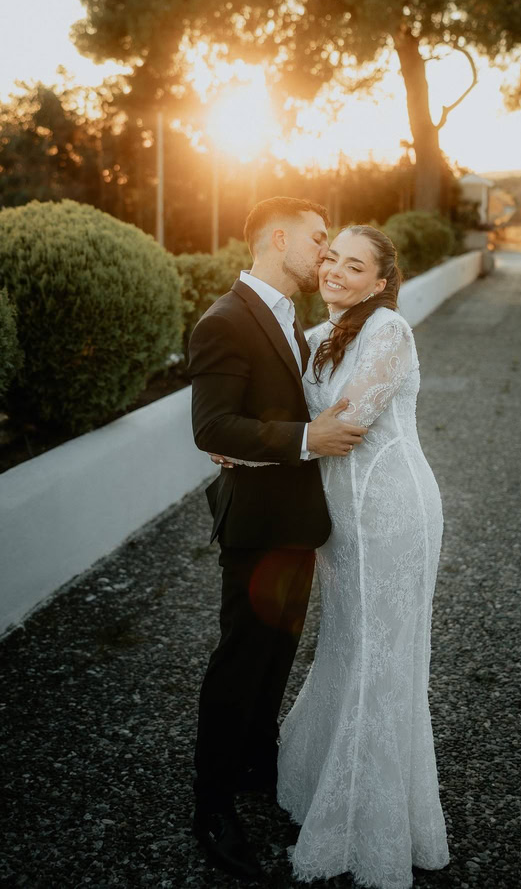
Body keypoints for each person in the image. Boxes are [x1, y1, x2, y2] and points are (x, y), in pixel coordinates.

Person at [186, 197, 367, 881]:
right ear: (280, 238)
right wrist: (307, 438)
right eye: (319, 239)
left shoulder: (290, 316)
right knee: (240, 661)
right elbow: (212, 427)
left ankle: (258, 768)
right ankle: (211, 806)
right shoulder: (225, 319)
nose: (326, 252)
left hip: (297, 520)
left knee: (276, 657)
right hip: (257, 524)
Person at [276, 225, 450, 888]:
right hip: (341, 522)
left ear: (380, 281)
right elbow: (294, 418)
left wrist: (287, 436)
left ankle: (369, 823)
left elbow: (348, 420)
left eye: (355, 266)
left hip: (393, 511)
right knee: (346, 644)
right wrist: (244, 440)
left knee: (382, 656)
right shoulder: (319, 336)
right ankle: (324, 782)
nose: (335, 272)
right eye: (331, 259)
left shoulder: (389, 331)